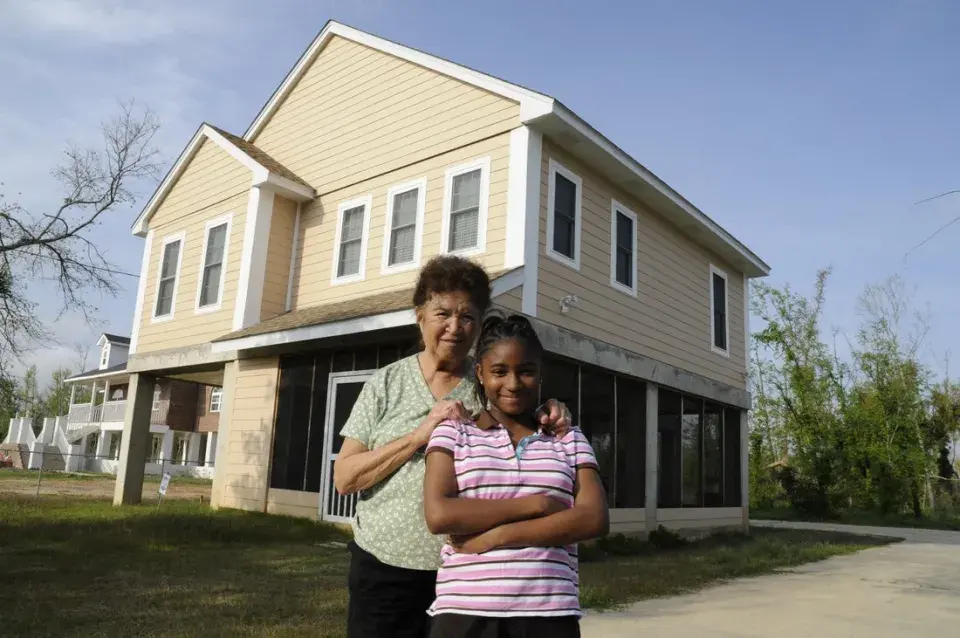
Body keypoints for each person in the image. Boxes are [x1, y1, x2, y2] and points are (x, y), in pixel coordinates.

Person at [334, 255, 573, 638]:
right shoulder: (386, 384)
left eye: (468, 317)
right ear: (419, 315)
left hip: (467, 576)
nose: (455, 327)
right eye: (442, 313)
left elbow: (526, 419)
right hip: (384, 567)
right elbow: (345, 478)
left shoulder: (488, 386)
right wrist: (419, 435)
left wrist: (553, 411)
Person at [423, 313, 609, 638]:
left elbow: (594, 519)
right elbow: (440, 515)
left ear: (540, 375)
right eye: (499, 371)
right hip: (465, 613)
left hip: (549, 613)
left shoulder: (567, 437)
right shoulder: (454, 433)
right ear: (480, 374)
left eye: (525, 371)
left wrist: (496, 537)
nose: (512, 383)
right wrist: (537, 504)